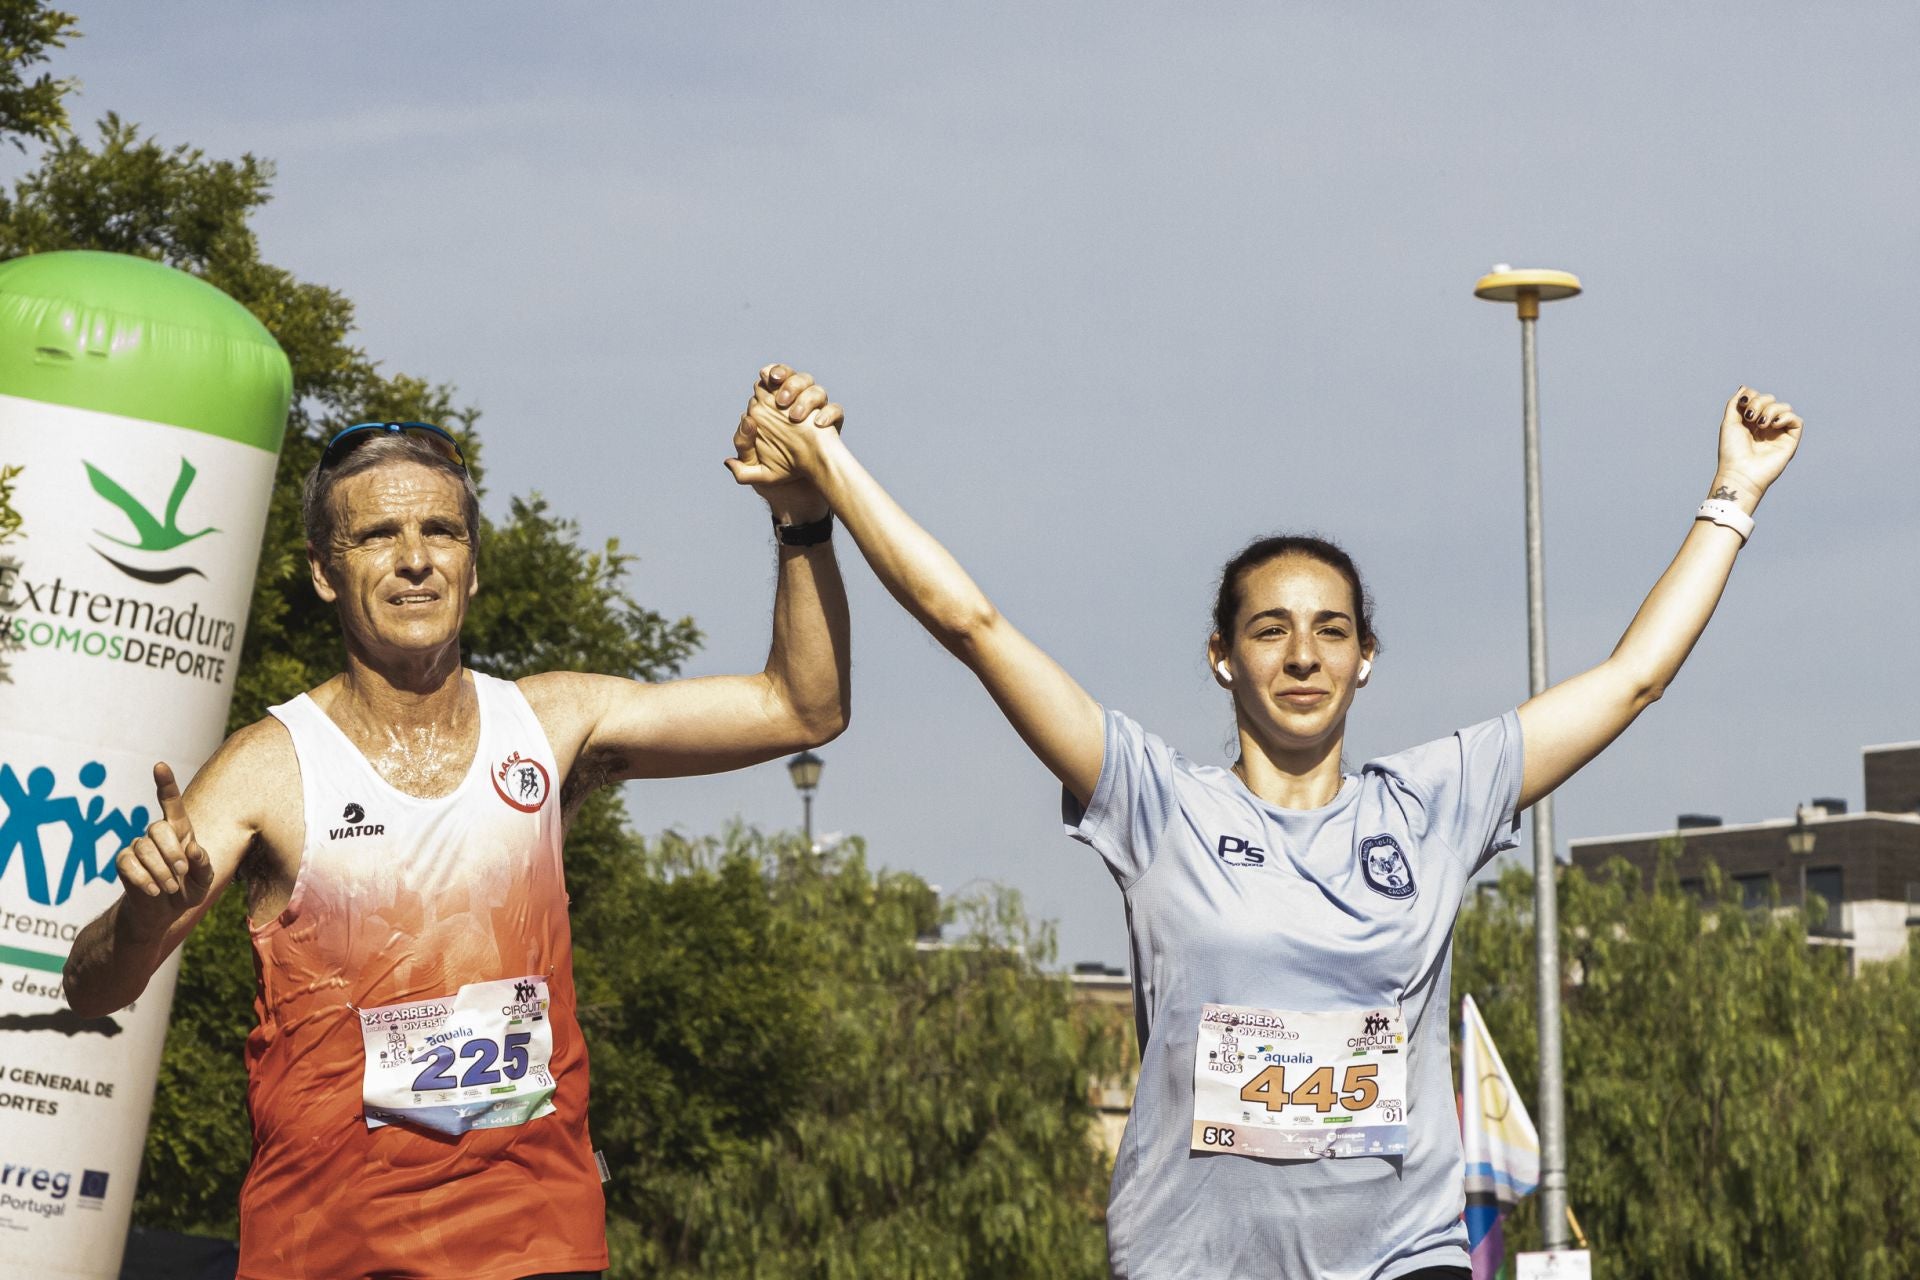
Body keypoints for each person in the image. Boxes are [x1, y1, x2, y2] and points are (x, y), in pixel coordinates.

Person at [730, 368, 1802, 1279]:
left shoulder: (1435, 800)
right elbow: (972, 624)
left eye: (1331, 631)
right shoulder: (1153, 800)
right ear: (1222, 656)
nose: (1302, 656)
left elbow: (1632, 679)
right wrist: (827, 468)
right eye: (1271, 630)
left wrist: (1734, 494)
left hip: (1406, 1256)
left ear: (1365, 658)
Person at [64, 387, 852, 1280]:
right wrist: (140, 918)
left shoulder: (554, 725)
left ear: (472, 566)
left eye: (441, 531)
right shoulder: (268, 767)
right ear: (324, 571)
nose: (415, 560)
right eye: (377, 536)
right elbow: (91, 990)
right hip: (332, 1253)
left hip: (536, 1240)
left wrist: (802, 518)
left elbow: (804, 707)